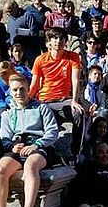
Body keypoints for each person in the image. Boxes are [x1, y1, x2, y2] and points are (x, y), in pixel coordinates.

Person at [0, 75, 60, 207]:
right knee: (1, 169)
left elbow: (52, 132)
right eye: (15, 90)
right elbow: (4, 138)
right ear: (10, 92)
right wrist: (12, 146)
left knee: (30, 166)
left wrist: (37, 145)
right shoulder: (7, 114)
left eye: (22, 89)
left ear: (28, 89)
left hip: (38, 145)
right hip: (17, 146)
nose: (19, 92)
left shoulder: (41, 108)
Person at [29, 27, 84, 156]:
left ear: (65, 42)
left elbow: (75, 80)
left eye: (61, 38)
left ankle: (75, 152)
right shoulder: (40, 60)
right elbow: (34, 85)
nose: (58, 41)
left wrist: (75, 101)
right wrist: (27, 101)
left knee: (78, 113)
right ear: (49, 42)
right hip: (44, 100)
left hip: (63, 99)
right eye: (54, 38)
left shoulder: (73, 57)